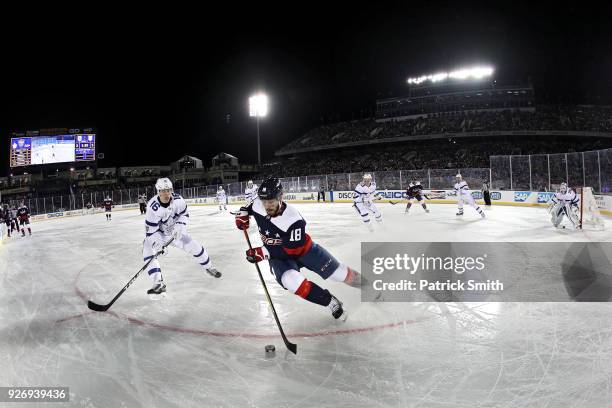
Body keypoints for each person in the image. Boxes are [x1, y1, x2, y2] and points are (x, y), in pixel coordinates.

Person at [235, 177, 363, 320]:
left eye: (271, 202)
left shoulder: (294, 219)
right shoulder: (259, 204)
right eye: (264, 202)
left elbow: (292, 250)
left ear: (280, 197)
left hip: (304, 251)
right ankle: (331, 302)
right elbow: (248, 207)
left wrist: (264, 252)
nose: (267, 206)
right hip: (278, 258)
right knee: (291, 281)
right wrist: (242, 214)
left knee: (339, 274)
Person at [143, 177, 221, 297]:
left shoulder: (178, 200)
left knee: (195, 246)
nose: (166, 193)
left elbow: (184, 214)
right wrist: (158, 244)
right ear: (158, 191)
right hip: (159, 234)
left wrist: (180, 226)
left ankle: (209, 267)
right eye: (163, 191)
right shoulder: (152, 207)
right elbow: (150, 232)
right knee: (147, 248)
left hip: (175, 232)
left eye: (168, 190)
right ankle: (158, 282)